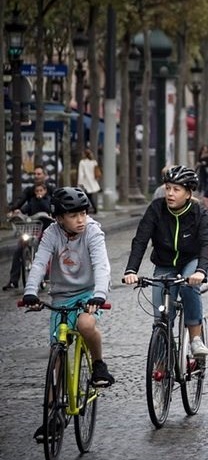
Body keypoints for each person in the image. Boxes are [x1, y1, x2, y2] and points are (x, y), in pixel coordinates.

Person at [22, 187, 114, 442]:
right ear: (59, 218)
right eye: (74, 215)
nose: (81, 220)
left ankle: (98, 365)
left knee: (86, 325)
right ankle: (52, 417)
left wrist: (99, 296)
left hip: (88, 294)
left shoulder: (93, 232)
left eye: (83, 213)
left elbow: (101, 265)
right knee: (58, 353)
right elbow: (39, 263)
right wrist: (31, 291)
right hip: (61, 296)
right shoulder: (51, 234)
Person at [122, 166, 208, 356]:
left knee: (188, 286)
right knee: (161, 317)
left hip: (191, 260)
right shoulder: (156, 209)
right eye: (168, 188)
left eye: (176, 189)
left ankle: (195, 338)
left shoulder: (198, 212)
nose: (170, 193)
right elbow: (140, 240)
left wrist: (201, 272)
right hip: (164, 263)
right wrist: (131, 270)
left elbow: (206, 244)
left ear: (188, 193)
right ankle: (162, 357)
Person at [4, 182, 52, 291]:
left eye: (41, 191)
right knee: (18, 249)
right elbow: (26, 208)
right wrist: (18, 211)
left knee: (43, 251)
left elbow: (47, 209)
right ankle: (13, 280)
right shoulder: (32, 202)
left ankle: (45, 275)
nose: (39, 193)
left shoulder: (48, 200)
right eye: (37, 191)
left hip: (45, 229)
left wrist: (42, 202)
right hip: (32, 230)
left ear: (45, 191)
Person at [77, 149, 101, 214]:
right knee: (88, 196)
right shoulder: (94, 162)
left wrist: (79, 182)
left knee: (86, 196)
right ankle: (93, 209)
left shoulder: (82, 162)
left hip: (85, 182)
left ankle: (88, 210)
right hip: (92, 181)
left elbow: (81, 173)